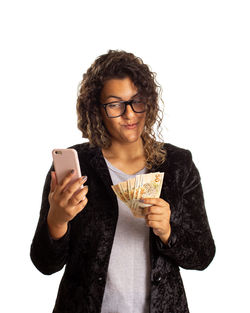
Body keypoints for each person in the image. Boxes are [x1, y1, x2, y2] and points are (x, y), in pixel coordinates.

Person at [30, 50, 216, 313]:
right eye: (115, 104)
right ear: (97, 109)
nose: (130, 114)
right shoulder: (77, 166)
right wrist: (57, 220)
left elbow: (203, 255)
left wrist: (168, 232)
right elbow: (44, 263)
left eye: (136, 101)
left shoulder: (178, 165)